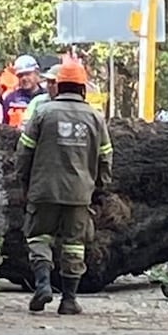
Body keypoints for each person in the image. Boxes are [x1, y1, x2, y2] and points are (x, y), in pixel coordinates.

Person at [15, 63, 113, 315]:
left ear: (58, 86)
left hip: (43, 190)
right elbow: (105, 157)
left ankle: (43, 285)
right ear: (83, 88)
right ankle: (69, 300)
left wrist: (23, 182)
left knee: (39, 237)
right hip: (79, 193)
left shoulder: (43, 113)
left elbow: (24, 152)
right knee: (74, 244)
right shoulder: (95, 118)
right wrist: (99, 188)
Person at [2, 55, 46, 127]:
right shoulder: (11, 99)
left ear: (37, 73)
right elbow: (4, 124)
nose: (24, 78)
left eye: (28, 74)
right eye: (20, 75)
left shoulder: (47, 97)